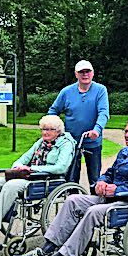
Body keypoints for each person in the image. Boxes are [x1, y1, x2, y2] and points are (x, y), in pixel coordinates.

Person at [14, 119, 128, 256]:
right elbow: (110, 173)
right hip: (111, 198)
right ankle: (47, 248)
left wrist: (118, 190)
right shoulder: (124, 152)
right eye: (126, 131)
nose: (127, 135)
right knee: (72, 200)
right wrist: (101, 182)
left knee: (93, 212)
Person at [0, 116, 75, 247]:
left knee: (11, 186)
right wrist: (17, 167)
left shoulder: (66, 144)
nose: (45, 132)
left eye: (49, 129)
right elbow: (23, 159)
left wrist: (32, 168)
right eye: (43, 129)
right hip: (28, 177)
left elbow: (60, 167)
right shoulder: (40, 143)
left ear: (58, 131)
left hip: (46, 180)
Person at [48, 60, 109, 194]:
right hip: (71, 141)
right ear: (76, 74)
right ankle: (73, 205)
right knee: (70, 177)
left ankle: (94, 207)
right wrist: (54, 130)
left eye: (87, 71)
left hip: (92, 140)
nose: (85, 74)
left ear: (92, 73)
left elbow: (103, 112)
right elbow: (53, 111)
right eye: (81, 72)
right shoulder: (66, 92)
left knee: (95, 178)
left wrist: (97, 130)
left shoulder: (100, 90)